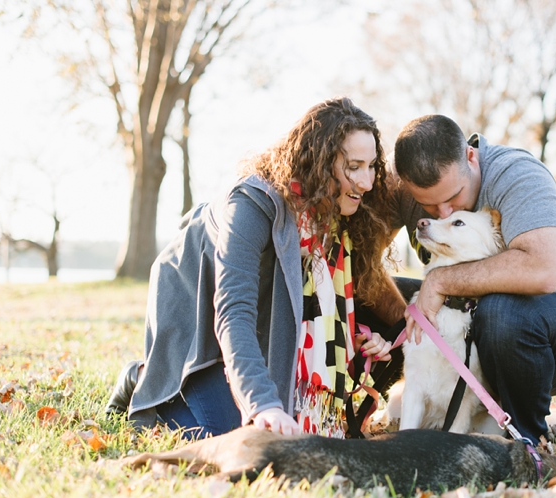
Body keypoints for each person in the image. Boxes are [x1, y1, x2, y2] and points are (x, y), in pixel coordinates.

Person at [105, 97, 406, 439]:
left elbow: (306, 308)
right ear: (320, 163)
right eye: (354, 166)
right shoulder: (251, 205)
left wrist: (354, 339)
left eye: (370, 166)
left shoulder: (332, 214)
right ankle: (147, 377)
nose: (366, 182)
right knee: (236, 434)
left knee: (278, 429)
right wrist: (263, 404)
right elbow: (234, 312)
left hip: (251, 317)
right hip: (195, 310)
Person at [389, 114, 556, 445]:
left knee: (500, 311)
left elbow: (543, 269)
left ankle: (525, 439)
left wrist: (441, 281)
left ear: (470, 157)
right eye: (428, 205)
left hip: (554, 333)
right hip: (461, 317)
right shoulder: (410, 188)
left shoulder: (517, 175)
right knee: (381, 295)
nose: (442, 213)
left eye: (454, 197)